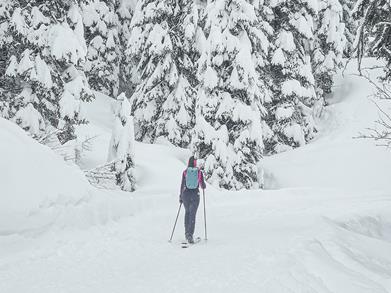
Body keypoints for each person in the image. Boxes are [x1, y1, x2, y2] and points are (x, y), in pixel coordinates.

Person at [179, 156, 206, 243]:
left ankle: (187, 233)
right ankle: (190, 235)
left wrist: (181, 196)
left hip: (186, 194)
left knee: (187, 212)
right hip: (195, 194)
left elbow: (182, 185)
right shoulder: (198, 172)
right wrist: (203, 185)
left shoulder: (185, 172)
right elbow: (202, 185)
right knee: (192, 214)